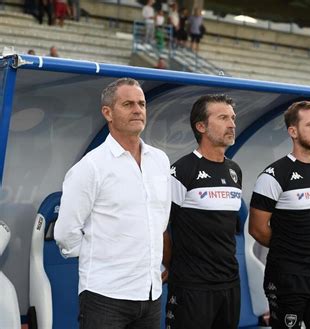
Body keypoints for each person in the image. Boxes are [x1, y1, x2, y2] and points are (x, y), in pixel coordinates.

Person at [54, 78, 171, 329]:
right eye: (128, 104)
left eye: (141, 103)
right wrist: (103, 258)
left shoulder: (160, 161)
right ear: (107, 112)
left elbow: (160, 221)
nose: (138, 110)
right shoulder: (90, 167)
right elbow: (65, 234)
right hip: (104, 297)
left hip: (151, 294)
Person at [249, 101, 310, 329]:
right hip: (286, 278)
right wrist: (288, 248)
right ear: (293, 131)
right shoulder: (273, 175)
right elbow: (257, 229)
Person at [165, 94, 242, 329]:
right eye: (222, 118)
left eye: (232, 118)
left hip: (229, 284)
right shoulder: (182, 170)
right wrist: (169, 266)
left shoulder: (234, 171)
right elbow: (160, 226)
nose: (232, 124)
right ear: (201, 126)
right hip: (192, 287)